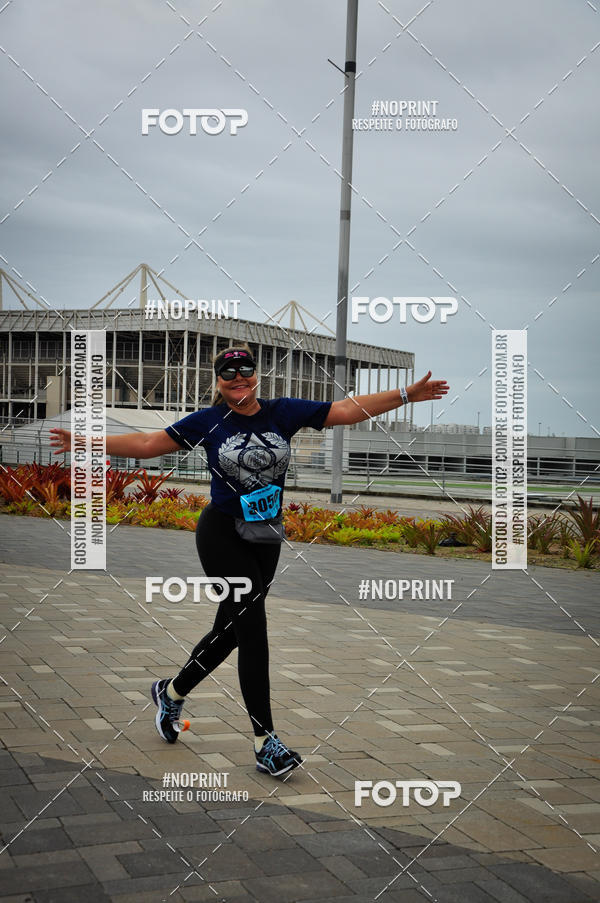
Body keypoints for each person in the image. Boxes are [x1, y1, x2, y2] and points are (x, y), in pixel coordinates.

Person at [50, 345, 448, 777]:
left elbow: (346, 410)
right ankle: (265, 743)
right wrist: (83, 440)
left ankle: (172, 691)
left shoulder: (283, 413)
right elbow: (147, 443)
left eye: (245, 372)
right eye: (228, 375)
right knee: (253, 629)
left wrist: (406, 394)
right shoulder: (208, 421)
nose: (238, 379)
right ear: (218, 382)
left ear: (256, 376)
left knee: (230, 631)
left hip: (266, 535)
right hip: (221, 534)